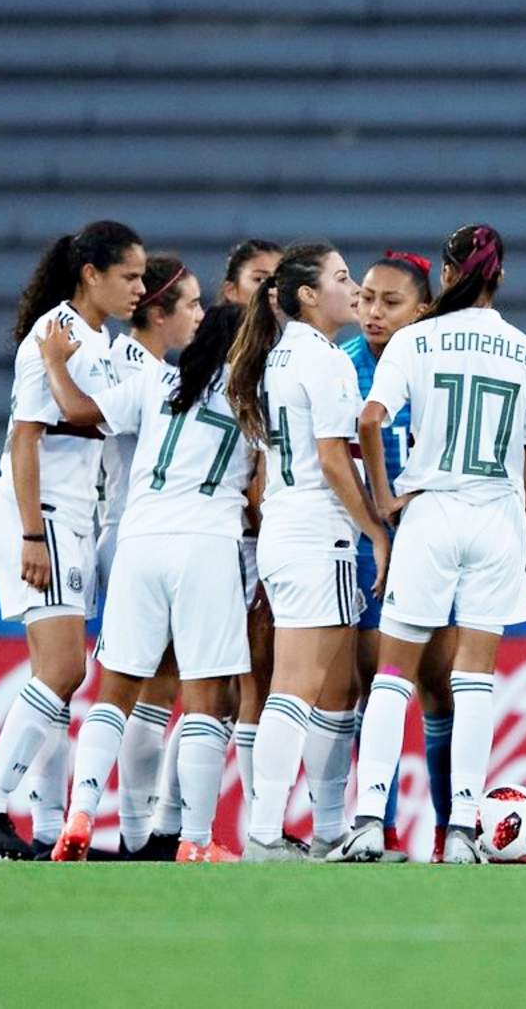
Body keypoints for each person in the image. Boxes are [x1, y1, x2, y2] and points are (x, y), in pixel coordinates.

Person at [329, 224, 526, 864]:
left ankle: (370, 821)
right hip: (497, 518)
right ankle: (462, 830)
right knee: (475, 680)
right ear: (500, 278)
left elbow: (370, 419)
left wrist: (384, 497)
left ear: (448, 274)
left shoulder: (415, 340)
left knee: (394, 676)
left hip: (430, 514)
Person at [38, 303, 254, 862]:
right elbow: (260, 491)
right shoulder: (254, 396)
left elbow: (77, 410)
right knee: (206, 698)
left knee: (116, 693)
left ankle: (81, 813)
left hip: (140, 540)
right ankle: (196, 841)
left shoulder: (157, 380)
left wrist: (55, 361)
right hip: (208, 544)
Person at [0, 220, 145, 860]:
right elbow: (26, 436)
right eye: (128, 275)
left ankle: (44, 829)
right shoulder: (53, 335)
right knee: (65, 668)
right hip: (41, 515)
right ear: (91, 274)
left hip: (73, 519)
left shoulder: (95, 340)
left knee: (57, 677)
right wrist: (34, 531)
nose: (138, 288)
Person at [226, 242, 390, 862]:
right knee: (295, 688)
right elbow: (330, 456)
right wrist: (375, 526)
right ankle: (266, 833)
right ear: (307, 296)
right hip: (315, 533)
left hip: (293, 531)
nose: (355, 290)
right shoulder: (323, 361)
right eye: (343, 279)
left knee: (334, 688)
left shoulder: (282, 355)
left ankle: (326, 829)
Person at [95, 254, 206, 860]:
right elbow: (89, 426)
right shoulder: (136, 368)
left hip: (141, 535)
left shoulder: (151, 365)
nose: (199, 315)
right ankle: (141, 837)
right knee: (153, 688)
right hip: (142, 534)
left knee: (153, 688)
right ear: (158, 312)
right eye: (189, 304)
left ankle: (139, 834)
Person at [339, 249, 447, 863]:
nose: (372, 313)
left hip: (433, 535)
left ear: (423, 310)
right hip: (362, 541)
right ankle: (376, 826)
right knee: (373, 682)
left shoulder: (439, 364)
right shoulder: (339, 366)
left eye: (390, 302)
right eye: (366, 299)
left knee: (440, 684)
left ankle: (447, 828)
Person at [218, 239, 283, 814]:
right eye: (259, 280)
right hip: (219, 539)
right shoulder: (206, 368)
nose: (270, 293)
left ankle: (260, 822)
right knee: (213, 686)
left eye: (278, 282)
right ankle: (166, 826)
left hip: (263, 540)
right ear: (230, 292)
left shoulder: (281, 366)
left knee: (254, 680)